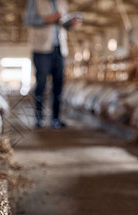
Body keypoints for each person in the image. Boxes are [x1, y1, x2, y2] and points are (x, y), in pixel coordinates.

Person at [24, 0, 81, 129]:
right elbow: (28, 20)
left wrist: (70, 24)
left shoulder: (62, 2)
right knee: (41, 84)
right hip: (42, 48)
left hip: (59, 48)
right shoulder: (35, 1)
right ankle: (39, 119)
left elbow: (63, 24)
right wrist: (47, 19)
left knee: (59, 84)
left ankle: (55, 118)